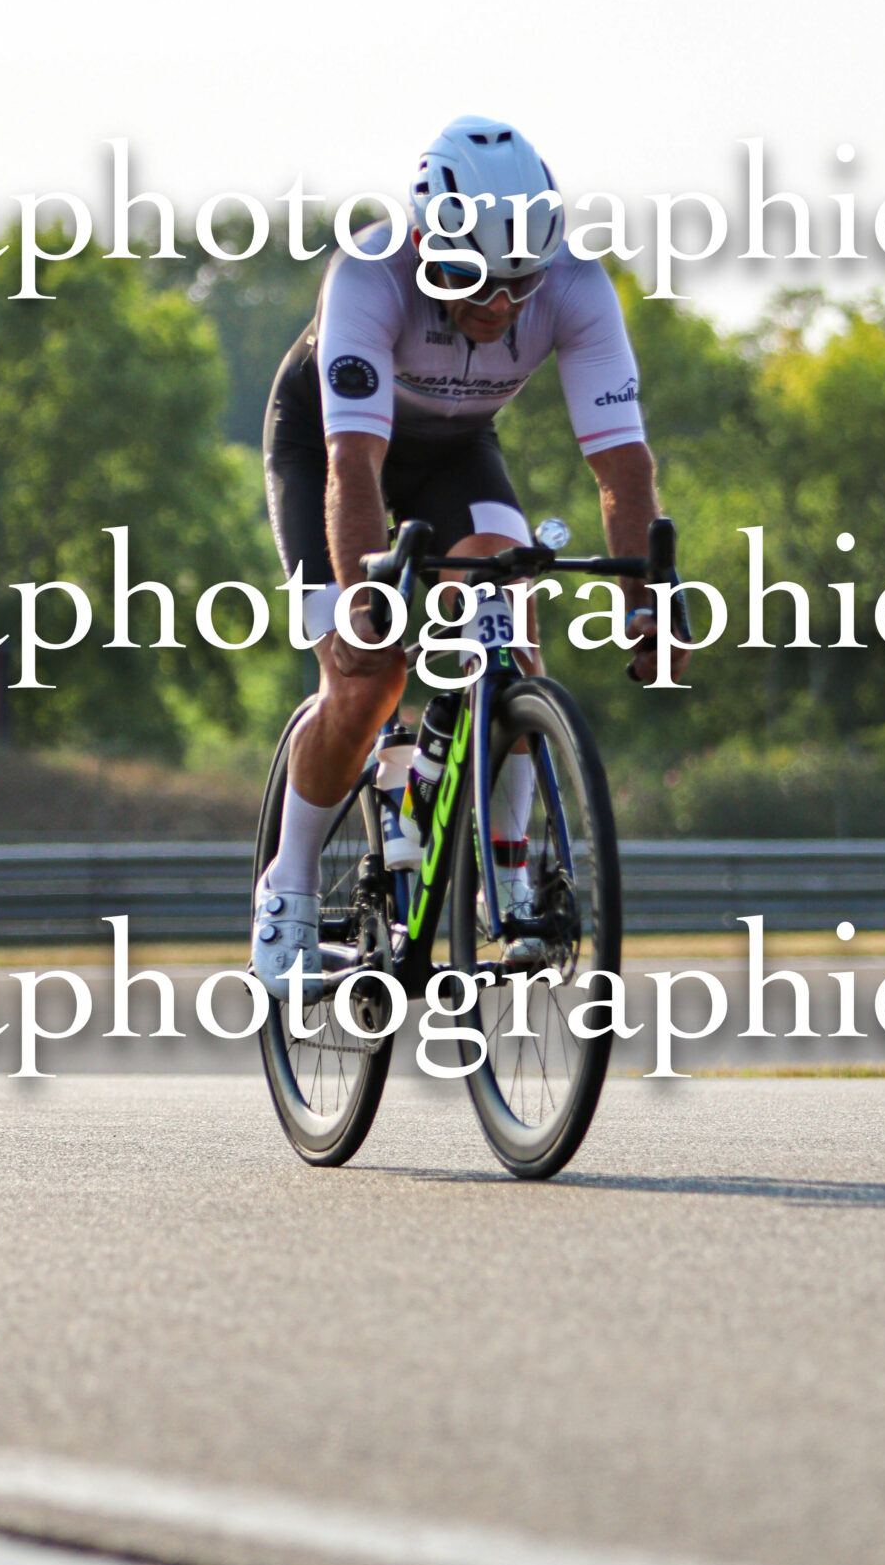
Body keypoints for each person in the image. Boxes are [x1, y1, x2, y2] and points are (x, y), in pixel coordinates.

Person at [253, 114, 672, 997]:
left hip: (452, 452)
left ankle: (507, 872)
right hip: (329, 450)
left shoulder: (578, 285)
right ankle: (286, 890)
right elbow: (351, 466)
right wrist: (366, 605)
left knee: (506, 619)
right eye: (467, 280)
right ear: (421, 243)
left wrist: (645, 603)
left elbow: (622, 465)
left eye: (516, 287)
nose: (493, 310)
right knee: (366, 676)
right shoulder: (367, 275)